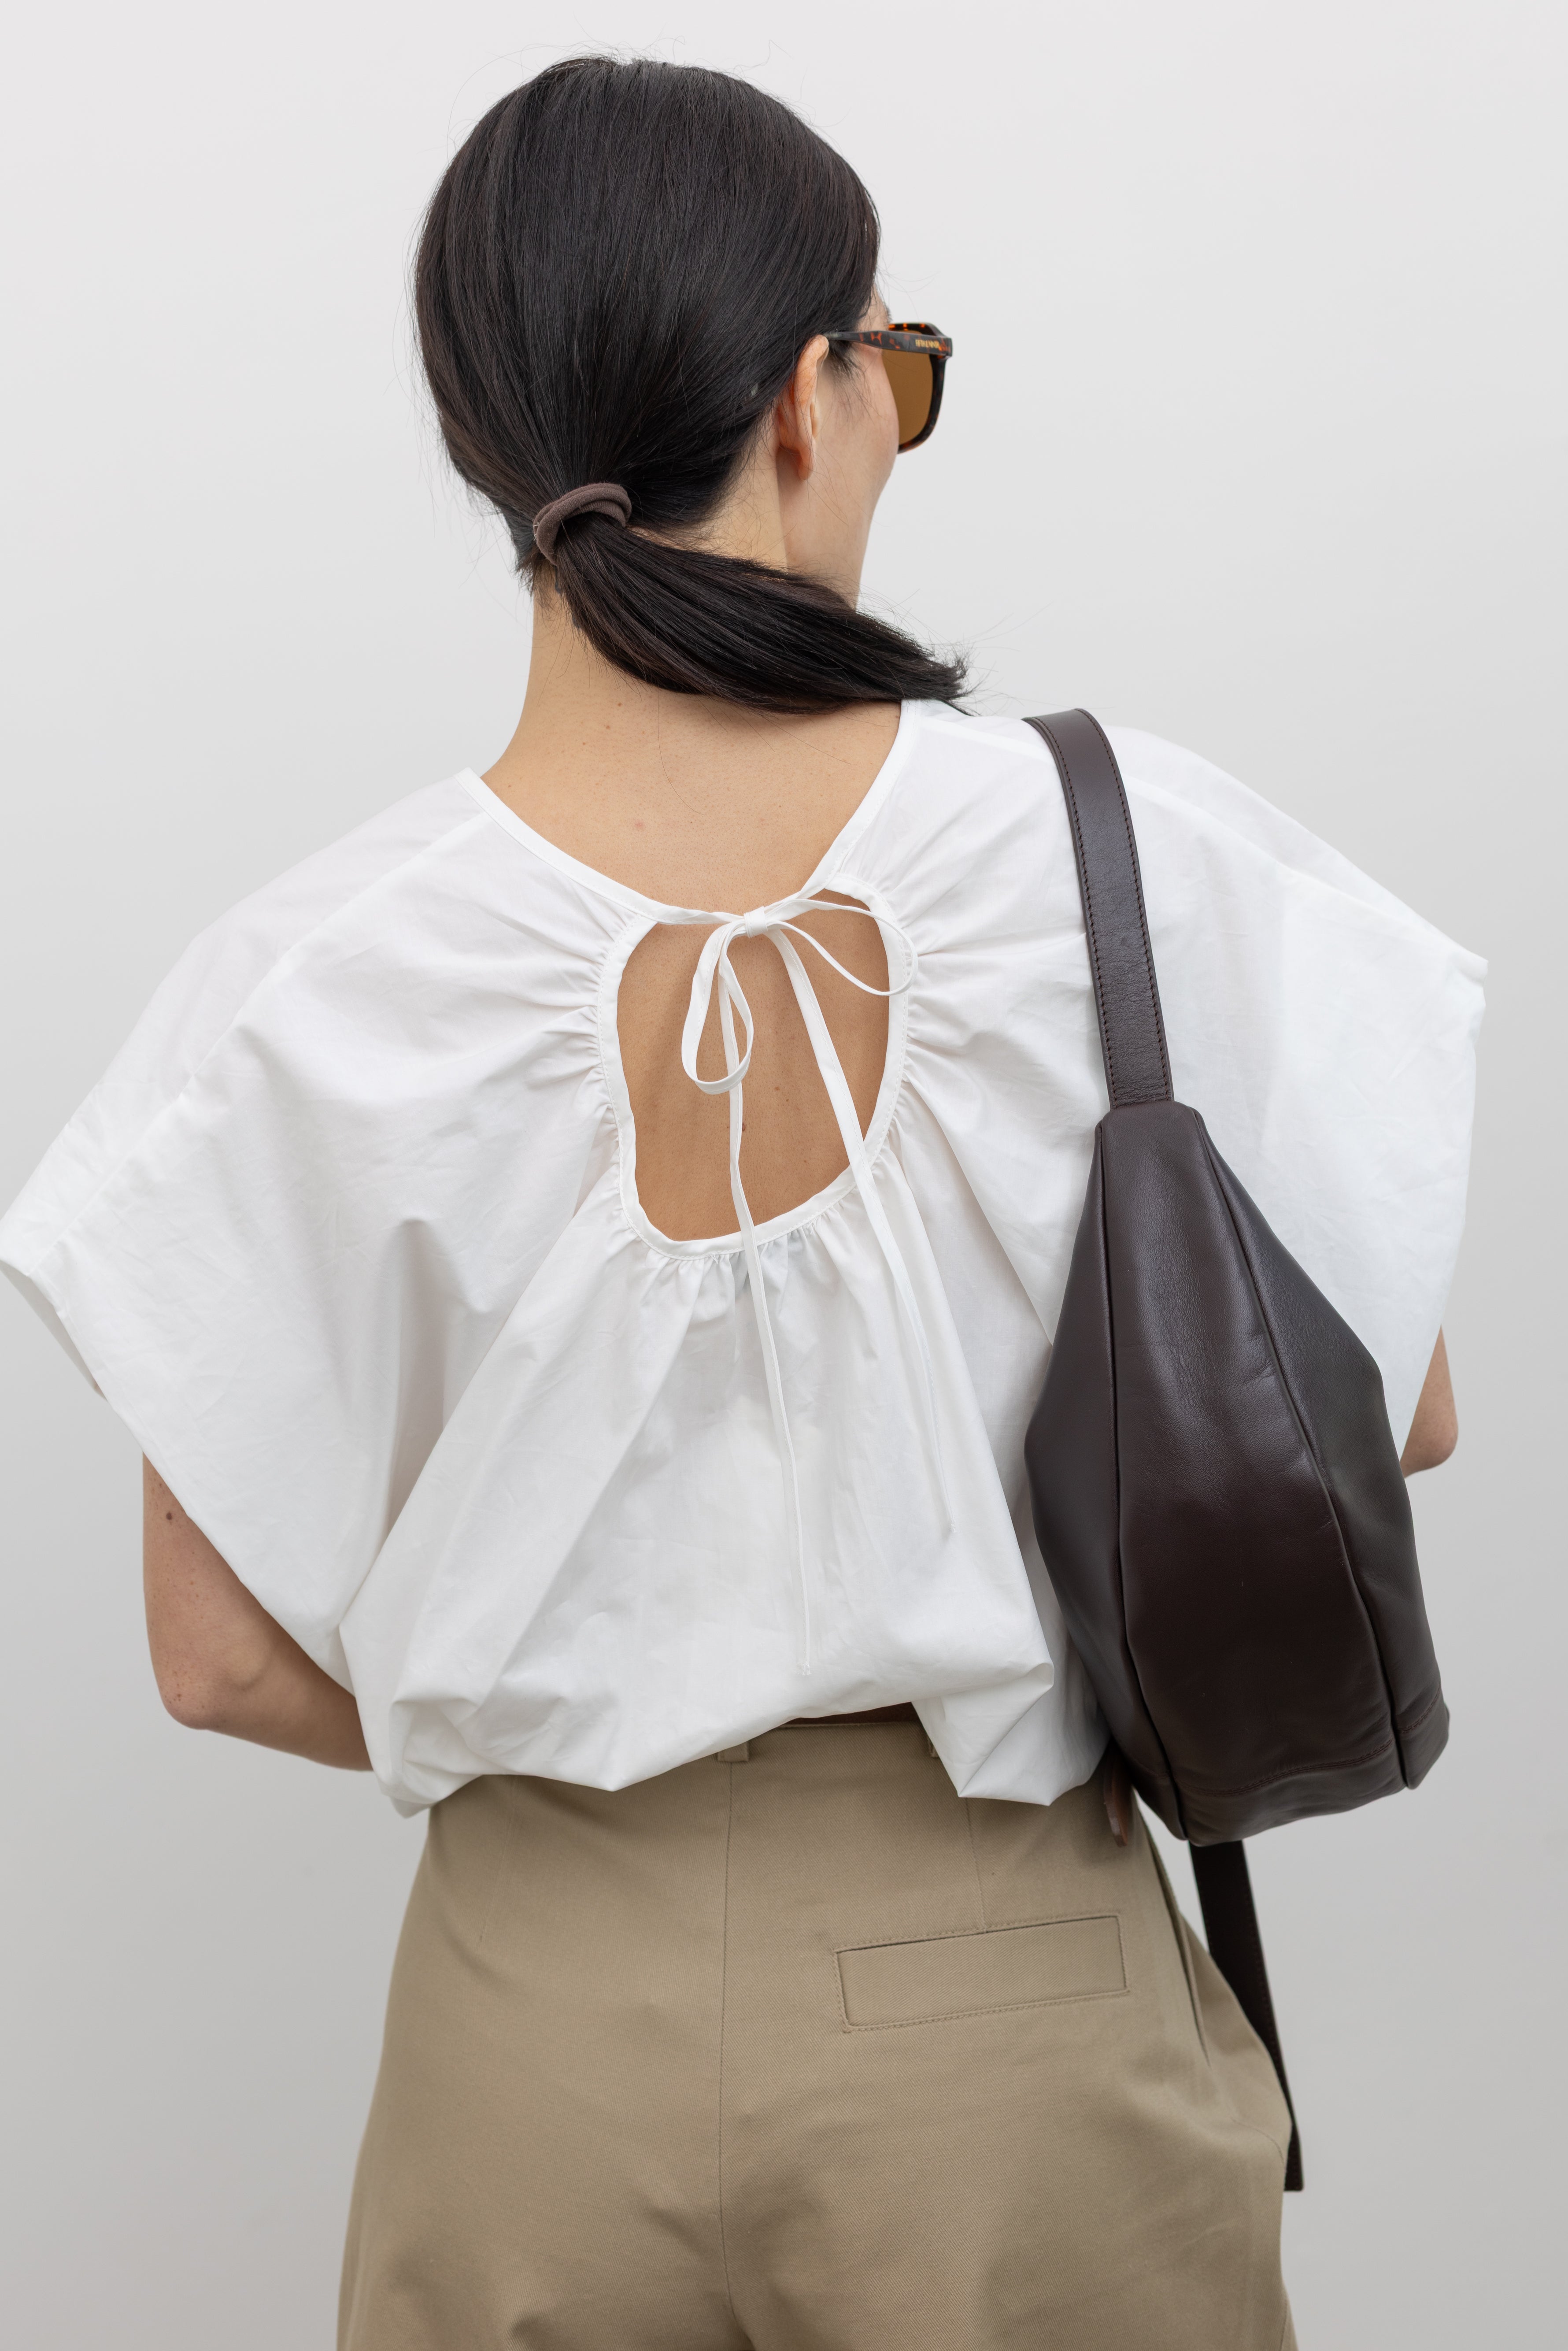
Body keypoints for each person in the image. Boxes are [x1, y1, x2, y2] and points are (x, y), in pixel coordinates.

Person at [0, 54, 1481, 2351]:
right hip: (1005, 2000)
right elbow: (1392, 1408)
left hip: (525, 2033)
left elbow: (213, 1653)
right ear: (810, 400)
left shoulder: (303, 981)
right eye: (898, 368)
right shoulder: (1127, 851)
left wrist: (578, 1670)